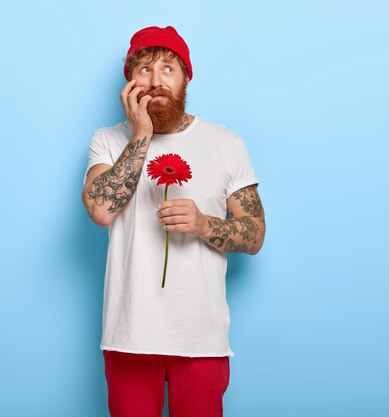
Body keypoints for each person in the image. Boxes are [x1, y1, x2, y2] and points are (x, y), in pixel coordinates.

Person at [82, 26, 265, 417]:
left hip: (201, 340)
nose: (155, 80)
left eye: (168, 69)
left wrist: (204, 225)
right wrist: (142, 134)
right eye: (144, 69)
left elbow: (254, 234)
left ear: (185, 78)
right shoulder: (108, 140)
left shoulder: (225, 143)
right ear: (129, 80)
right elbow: (100, 211)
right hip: (129, 336)